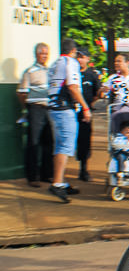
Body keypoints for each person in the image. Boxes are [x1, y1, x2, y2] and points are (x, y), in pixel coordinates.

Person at [46, 38, 91, 203]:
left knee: (59, 146)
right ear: (74, 51)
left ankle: (60, 180)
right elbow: (72, 87)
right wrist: (85, 107)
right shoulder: (69, 62)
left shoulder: (56, 63)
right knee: (65, 146)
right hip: (64, 109)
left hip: (54, 108)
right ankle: (57, 183)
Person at [17, 42, 53, 187]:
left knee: (49, 142)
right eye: (41, 53)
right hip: (35, 109)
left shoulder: (50, 71)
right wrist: (27, 107)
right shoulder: (29, 71)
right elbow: (22, 93)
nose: (44, 56)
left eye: (46, 53)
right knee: (33, 142)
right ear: (36, 54)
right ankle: (32, 177)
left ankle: (47, 174)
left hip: (49, 110)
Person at [101, 53, 129, 132]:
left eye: (119, 61)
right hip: (117, 111)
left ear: (127, 63)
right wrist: (103, 90)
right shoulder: (112, 78)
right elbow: (102, 94)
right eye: (115, 61)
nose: (116, 63)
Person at [75, 47, 101, 181]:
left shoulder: (92, 74)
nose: (79, 59)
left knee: (85, 140)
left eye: (82, 57)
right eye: (77, 56)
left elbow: (98, 93)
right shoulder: (71, 72)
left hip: (86, 114)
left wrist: (90, 104)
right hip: (71, 111)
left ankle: (83, 169)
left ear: (87, 59)